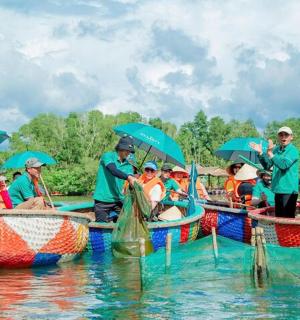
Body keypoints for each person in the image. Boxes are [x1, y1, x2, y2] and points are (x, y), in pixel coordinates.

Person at [250, 126, 299, 218]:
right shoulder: (276, 149)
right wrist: (261, 153)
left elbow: (283, 165)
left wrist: (270, 154)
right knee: (279, 218)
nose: (283, 137)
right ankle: (279, 233)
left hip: (289, 190)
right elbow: (267, 165)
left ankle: (287, 233)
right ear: (278, 137)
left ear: (291, 137)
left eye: (286, 135)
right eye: (281, 135)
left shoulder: (293, 151)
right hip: (277, 189)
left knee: (287, 218)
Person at [93, 136, 137, 222]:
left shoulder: (128, 165)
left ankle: (114, 219)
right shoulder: (108, 156)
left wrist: (133, 182)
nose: (129, 153)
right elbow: (113, 170)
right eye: (127, 150)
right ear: (120, 148)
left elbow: (130, 180)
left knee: (128, 221)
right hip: (103, 199)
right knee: (101, 227)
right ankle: (111, 219)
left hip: (118, 200)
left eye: (130, 151)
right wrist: (129, 177)